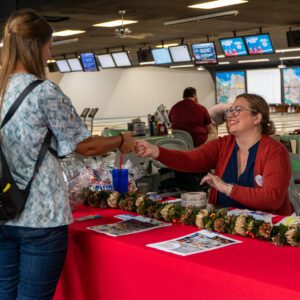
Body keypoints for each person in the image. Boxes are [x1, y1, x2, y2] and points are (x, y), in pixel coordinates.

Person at [0, 9, 135, 299]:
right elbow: (85, 146)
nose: (49, 53)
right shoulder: (44, 91)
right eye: (49, 46)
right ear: (36, 46)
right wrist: (120, 139)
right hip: (41, 216)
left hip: (2, 210)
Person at [136, 93, 293, 216]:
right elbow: (191, 160)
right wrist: (157, 152)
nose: (230, 115)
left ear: (257, 117)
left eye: (238, 110)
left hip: (268, 231)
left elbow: (272, 199)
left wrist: (226, 188)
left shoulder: (275, 151)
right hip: (225, 225)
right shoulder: (223, 145)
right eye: (230, 110)